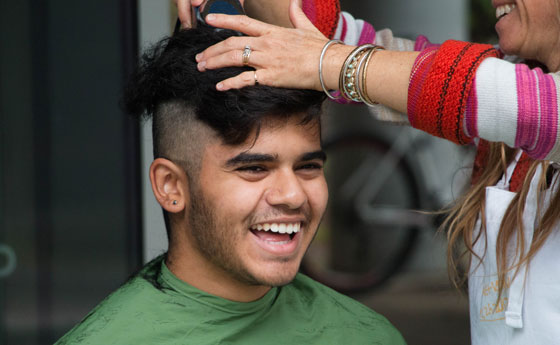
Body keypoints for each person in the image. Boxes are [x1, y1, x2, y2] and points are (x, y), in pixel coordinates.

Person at [186, 0, 560, 344]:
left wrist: (331, 63)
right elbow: (326, 38)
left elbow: (513, 100)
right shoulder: (509, 106)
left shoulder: (520, 99)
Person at [54, 25, 406, 345]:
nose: (293, 194)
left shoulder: (369, 336)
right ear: (171, 187)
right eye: (254, 168)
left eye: (308, 166)